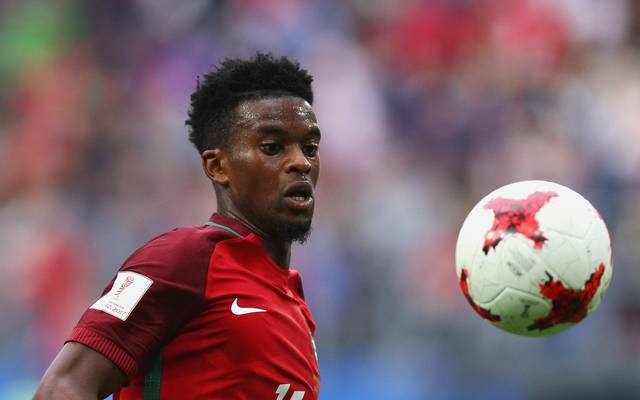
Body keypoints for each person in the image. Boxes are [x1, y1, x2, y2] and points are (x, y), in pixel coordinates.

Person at [34, 52, 322, 400]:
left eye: (310, 147)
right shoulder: (182, 260)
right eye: (273, 147)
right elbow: (62, 388)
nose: (301, 162)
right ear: (218, 167)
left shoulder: (294, 305)